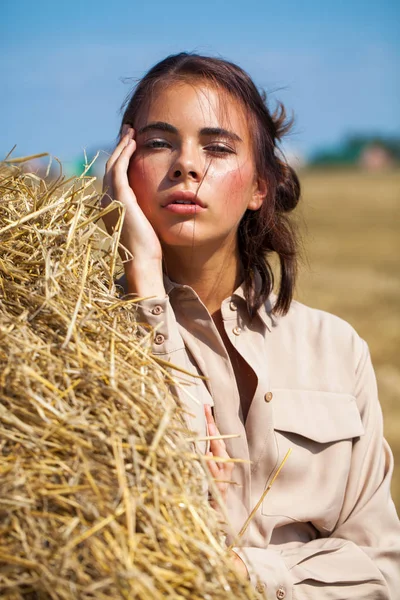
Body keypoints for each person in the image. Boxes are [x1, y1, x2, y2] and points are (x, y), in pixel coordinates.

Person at [102, 52, 400, 599]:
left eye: (217, 148)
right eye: (159, 143)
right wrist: (143, 281)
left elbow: (380, 573)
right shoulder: (83, 343)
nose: (186, 165)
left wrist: (245, 578)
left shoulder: (336, 350)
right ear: (122, 169)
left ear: (260, 187)